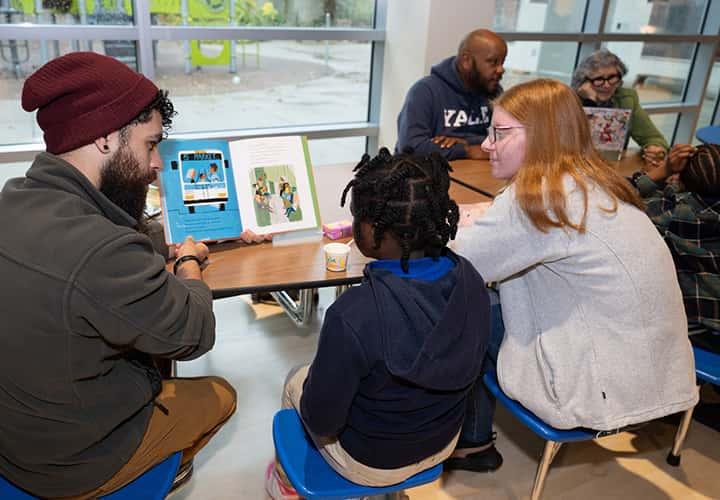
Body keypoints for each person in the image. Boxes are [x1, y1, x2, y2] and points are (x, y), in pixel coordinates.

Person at [0, 52, 236, 499]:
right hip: (71, 466)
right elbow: (197, 332)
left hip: (0, 441)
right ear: (105, 138)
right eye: (150, 144)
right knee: (220, 394)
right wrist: (187, 263)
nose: (158, 163)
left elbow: (95, 255)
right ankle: (156, 466)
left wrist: (163, 243)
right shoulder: (102, 250)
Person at [452, 79, 698, 447]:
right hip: (650, 372)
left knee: (462, 306)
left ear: (541, 137)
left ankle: (472, 444)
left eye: (500, 133)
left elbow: (459, 262)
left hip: (598, 386)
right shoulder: (594, 183)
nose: (488, 144)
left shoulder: (540, 201)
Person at [265, 148, 492, 499]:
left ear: (372, 230)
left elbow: (322, 420)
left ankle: (285, 485)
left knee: (297, 377)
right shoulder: (472, 280)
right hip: (443, 444)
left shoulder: (353, 315)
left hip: (371, 462)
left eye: (357, 216)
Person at [631, 143, 720, 354]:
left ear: (683, 178)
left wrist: (663, 170)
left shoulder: (673, 211)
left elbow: (621, 198)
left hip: (696, 333)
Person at [396, 29, 507, 161]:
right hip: (428, 176)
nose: (501, 69)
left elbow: (507, 140)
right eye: (493, 62)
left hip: (476, 174)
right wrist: (466, 150)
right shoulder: (424, 91)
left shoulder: (494, 92)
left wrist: (466, 142)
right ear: (466, 60)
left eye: (502, 62)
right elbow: (411, 147)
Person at [572, 49, 669, 169]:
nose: (607, 85)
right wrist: (590, 101)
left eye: (612, 78)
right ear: (584, 82)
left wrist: (655, 149)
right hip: (573, 168)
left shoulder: (626, 99)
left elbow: (653, 138)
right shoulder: (569, 100)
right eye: (599, 79)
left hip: (612, 169)